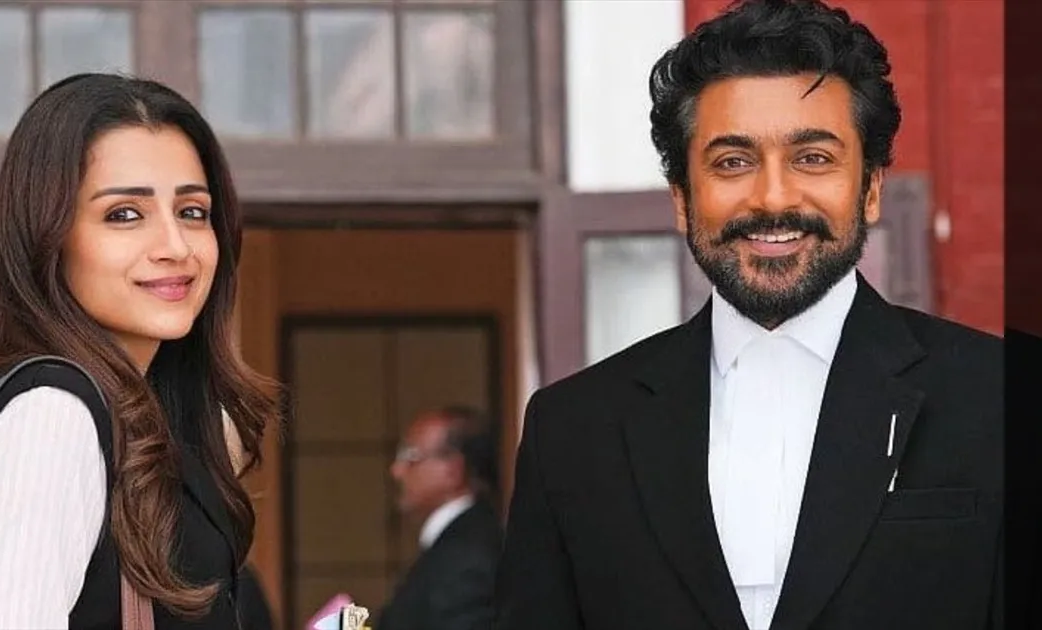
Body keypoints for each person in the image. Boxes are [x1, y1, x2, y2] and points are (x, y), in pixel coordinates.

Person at [494, 1, 1003, 629]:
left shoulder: (1001, 399)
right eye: (732, 162)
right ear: (682, 199)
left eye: (812, 158)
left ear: (870, 188)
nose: (772, 198)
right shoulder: (573, 429)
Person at [0, 72, 280, 628]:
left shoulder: (148, 415)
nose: (176, 247)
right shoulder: (52, 419)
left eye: (192, 212)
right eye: (125, 214)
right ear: (49, 238)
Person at [377, 406, 503, 630]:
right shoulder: (460, 543)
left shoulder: (466, 556)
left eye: (411, 456)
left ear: (453, 469)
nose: (397, 470)